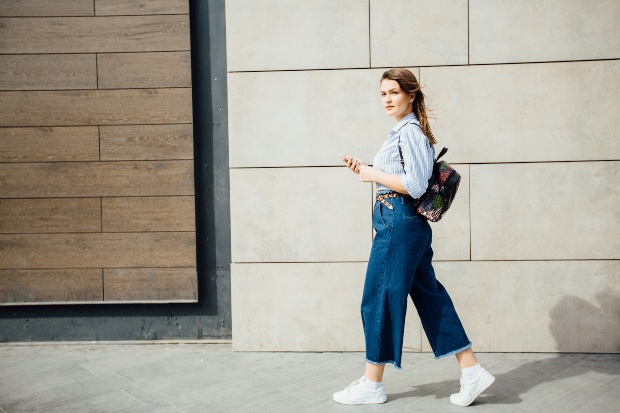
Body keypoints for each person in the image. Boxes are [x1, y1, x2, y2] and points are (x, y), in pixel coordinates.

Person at [333, 68, 495, 407]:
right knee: (429, 297)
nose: (388, 99)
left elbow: (417, 185)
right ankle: (472, 372)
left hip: (399, 223)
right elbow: (402, 176)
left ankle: (372, 383)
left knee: (378, 297)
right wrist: (367, 169)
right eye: (383, 94)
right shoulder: (401, 132)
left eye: (394, 92)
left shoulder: (411, 132)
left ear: (410, 95)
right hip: (402, 224)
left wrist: (370, 174)